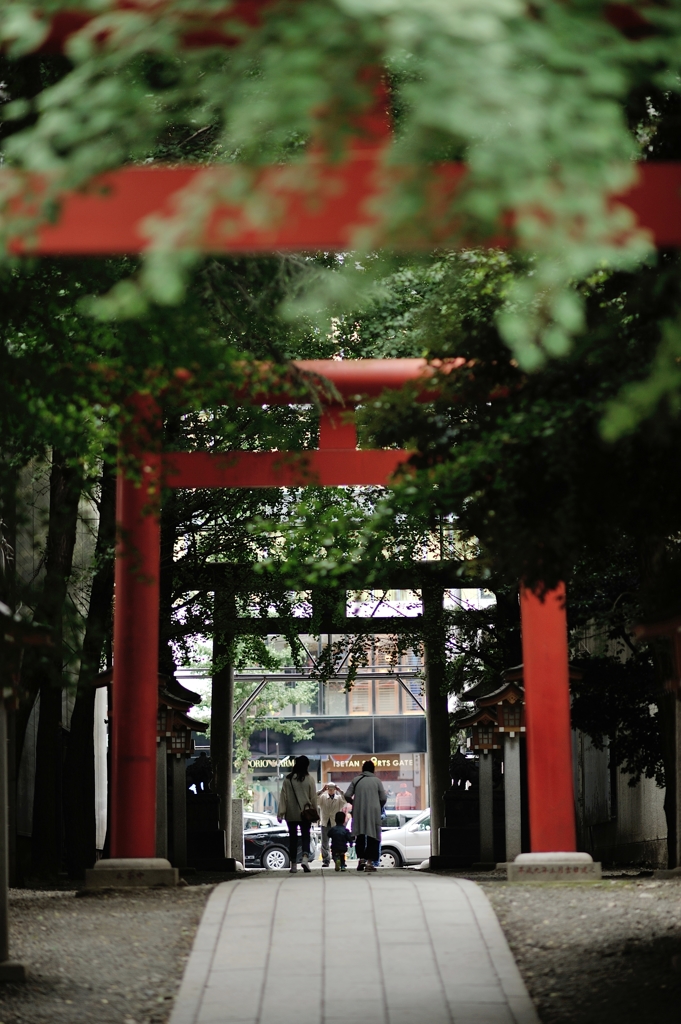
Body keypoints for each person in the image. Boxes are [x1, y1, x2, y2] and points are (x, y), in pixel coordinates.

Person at [277, 755, 318, 873]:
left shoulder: (288, 779)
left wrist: (281, 813)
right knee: (306, 836)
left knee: (293, 839)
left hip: (291, 814)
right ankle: (305, 858)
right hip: (305, 814)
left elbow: (283, 798)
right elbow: (313, 798)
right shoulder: (309, 779)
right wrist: (315, 812)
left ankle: (293, 865)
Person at [344, 760, 386, 873]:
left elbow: (347, 795)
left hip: (359, 811)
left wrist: (354, 803)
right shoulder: (377, 781)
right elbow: (383, 798)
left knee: (360, 835)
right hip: (374, 812)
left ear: (363, 769)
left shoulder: (356, 780)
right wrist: (378, 805)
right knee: (373, 837)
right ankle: (369, 863)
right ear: (373, 769)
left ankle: (361, 859)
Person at [317, 782, 347, 867]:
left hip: (335, 822)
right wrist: (322, 790)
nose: (331, 790)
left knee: (337, 842)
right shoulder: (323, 797)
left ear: (335, 789)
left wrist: (340, 790)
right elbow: (314, 798)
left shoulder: (339, 799)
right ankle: (326, 860)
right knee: (324, 842)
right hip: (325, 822)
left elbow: (346, 799)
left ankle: (338, 859)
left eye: (332, 788)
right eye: (329, 788)